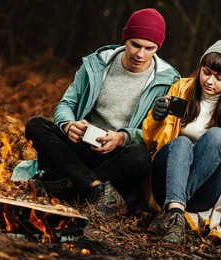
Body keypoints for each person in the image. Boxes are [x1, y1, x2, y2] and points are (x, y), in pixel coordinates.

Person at [10, 8, 180, 220]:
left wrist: (122, 138)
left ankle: (69, 186)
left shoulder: (168, 80)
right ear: (125, 38)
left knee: (141, 156)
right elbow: (67, 103)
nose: (140, 54)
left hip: (118, 157)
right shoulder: (97, 63)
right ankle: (95, 187)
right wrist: (68, 125)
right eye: (135, 44)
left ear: (158, 48)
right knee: (36, 125)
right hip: (80, 144)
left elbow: (156, 133)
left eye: (149, 48)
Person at [142, 39, 221, 250]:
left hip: (203, 192)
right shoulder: (180, 89)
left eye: (220, 77)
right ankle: (175, 213)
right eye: (206, 72)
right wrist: (156, 118)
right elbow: (151, 141)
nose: (210, 81)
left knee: (217, 136)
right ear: (200, 67)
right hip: (165, 182)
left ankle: (173, 214)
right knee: (181, 142)